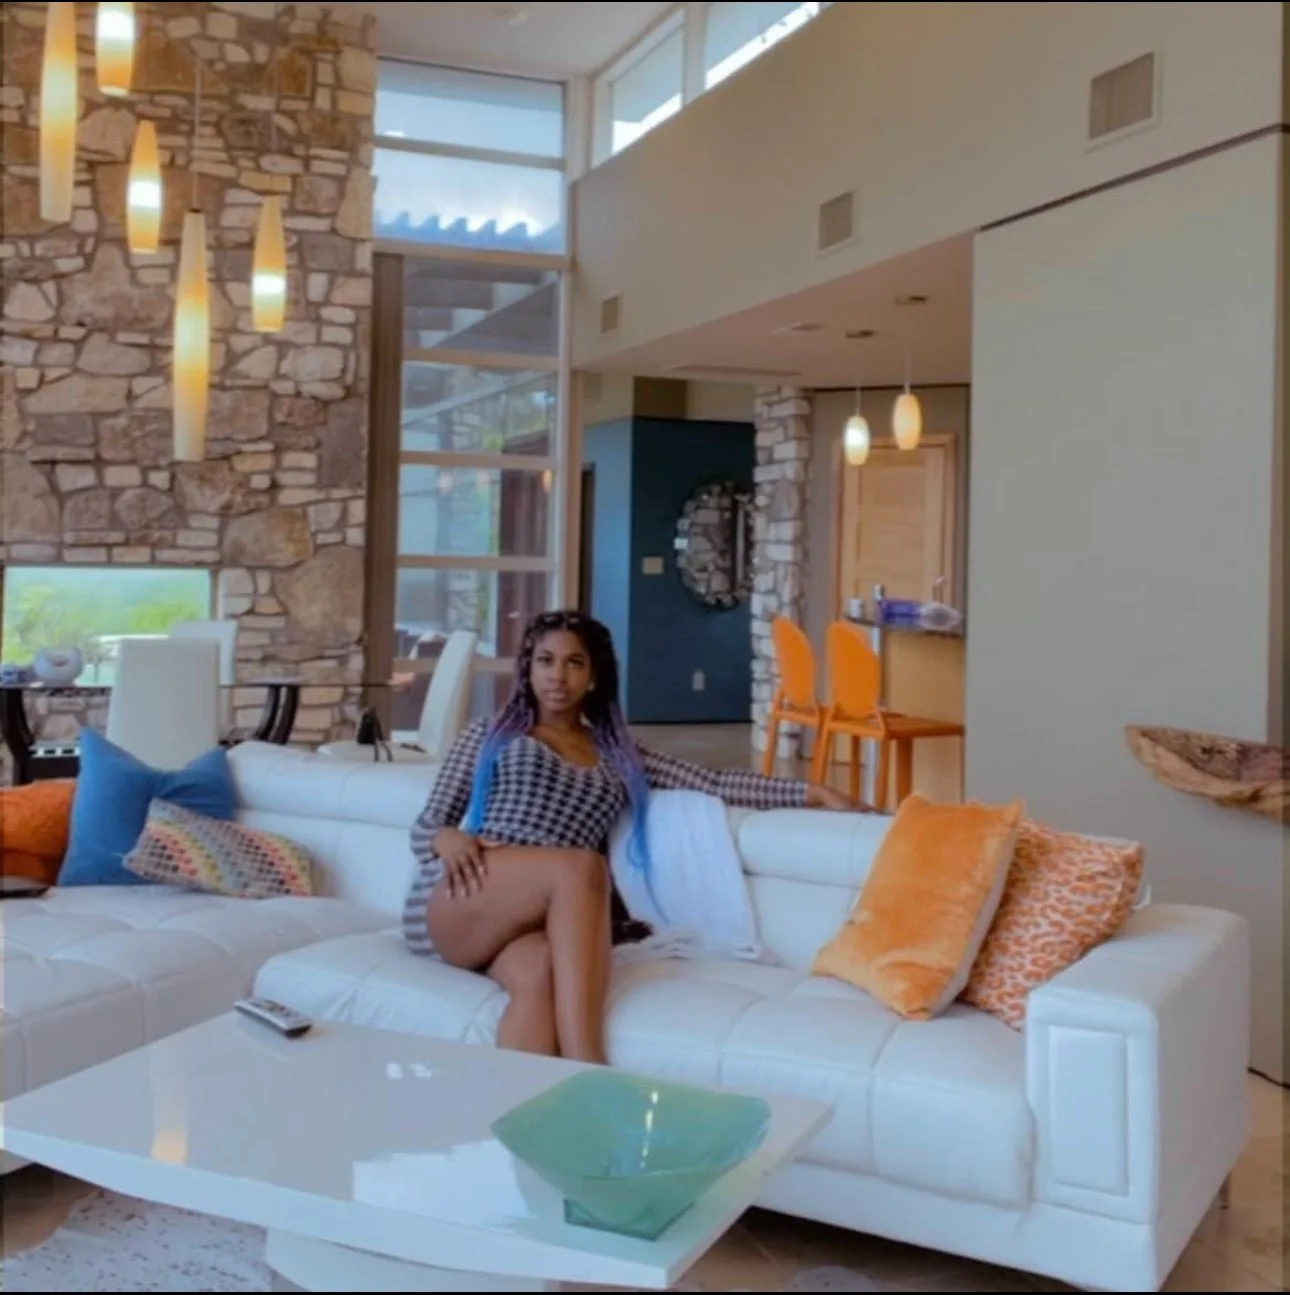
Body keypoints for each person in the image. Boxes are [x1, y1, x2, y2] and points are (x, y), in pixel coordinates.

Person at [403, 610, 859, 1064]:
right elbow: (426, 825)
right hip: (462, 893)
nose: (556, 676)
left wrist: (811, 791)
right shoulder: (491, 733)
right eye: (544, 661)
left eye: (573, 663)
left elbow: (713, 781)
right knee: (580, 866)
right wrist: (447, 838)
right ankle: (591, 1068)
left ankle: (519, 1119)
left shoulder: (619, 754)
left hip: (533, 924)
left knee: (541, 974)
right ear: (528, 668)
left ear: (595, 676)